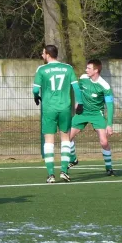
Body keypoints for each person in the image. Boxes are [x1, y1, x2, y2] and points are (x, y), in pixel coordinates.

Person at [33, 44, 83, 183]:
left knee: (49, 140)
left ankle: (50, 175)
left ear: (48, 54)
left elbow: (36, 90)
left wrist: (36, 97)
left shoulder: (42, 69)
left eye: (43, 53)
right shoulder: (68, 68)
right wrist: (79, 103)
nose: (42, 56)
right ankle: (64, 171)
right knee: (65, 138)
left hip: (49, 108)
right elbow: (76, 87)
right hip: (65, 108)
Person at [67, 59, 115, 176]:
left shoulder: (104, 86)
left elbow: (110, 105)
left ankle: (109, 168)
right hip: (82, 113)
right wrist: (77, 103)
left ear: (96, 70)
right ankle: (73, 159)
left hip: (96, 114)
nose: (86, 70)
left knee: (104, 142)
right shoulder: (83, 78)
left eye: (89, 68)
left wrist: (109, 124)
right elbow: (78, 91)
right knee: (67, 137)